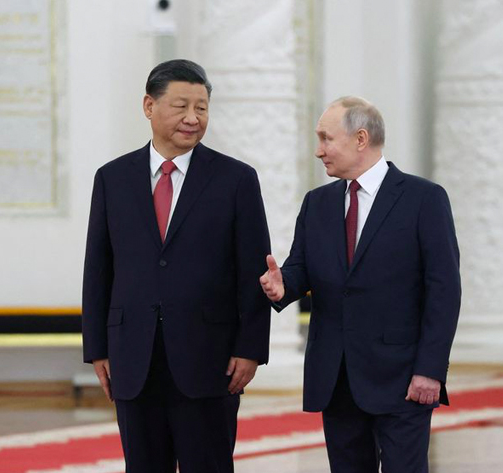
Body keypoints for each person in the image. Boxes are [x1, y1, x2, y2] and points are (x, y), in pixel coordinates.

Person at [82, 59, 271, 473]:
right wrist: (97, 347)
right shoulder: (112, 179)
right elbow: (99, 269)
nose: (192, 118)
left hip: (210, 359)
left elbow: (254, 269)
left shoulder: (236, 180)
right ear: (149, 106)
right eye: (181, 106)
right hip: (133, 357)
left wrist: (250, 348)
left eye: (201, 108)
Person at [260, 97, 461, 472]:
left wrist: (430, 369)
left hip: (403, 377)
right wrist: (280, 285)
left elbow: (444, 291)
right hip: (336, 377)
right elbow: (300, 269)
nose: (318, 151)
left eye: (326, 138)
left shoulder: (423, 199)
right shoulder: (317, 203)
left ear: (360, 138)